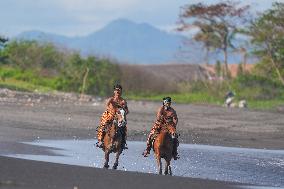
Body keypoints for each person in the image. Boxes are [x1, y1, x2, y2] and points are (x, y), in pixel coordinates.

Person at [96, 84, 129, 149]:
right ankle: (100, 141)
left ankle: (123, 143)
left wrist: (123, 111)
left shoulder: (123, 101)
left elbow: (127, 111)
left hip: (119, 117)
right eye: (116, 90)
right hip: (109, 116)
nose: (117, 92)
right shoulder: (111, 99)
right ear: (114, 91)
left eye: (119, 90)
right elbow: (107, 105)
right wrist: (112, 111)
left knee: (124, 128)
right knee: (103, 126)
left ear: (121, 91)